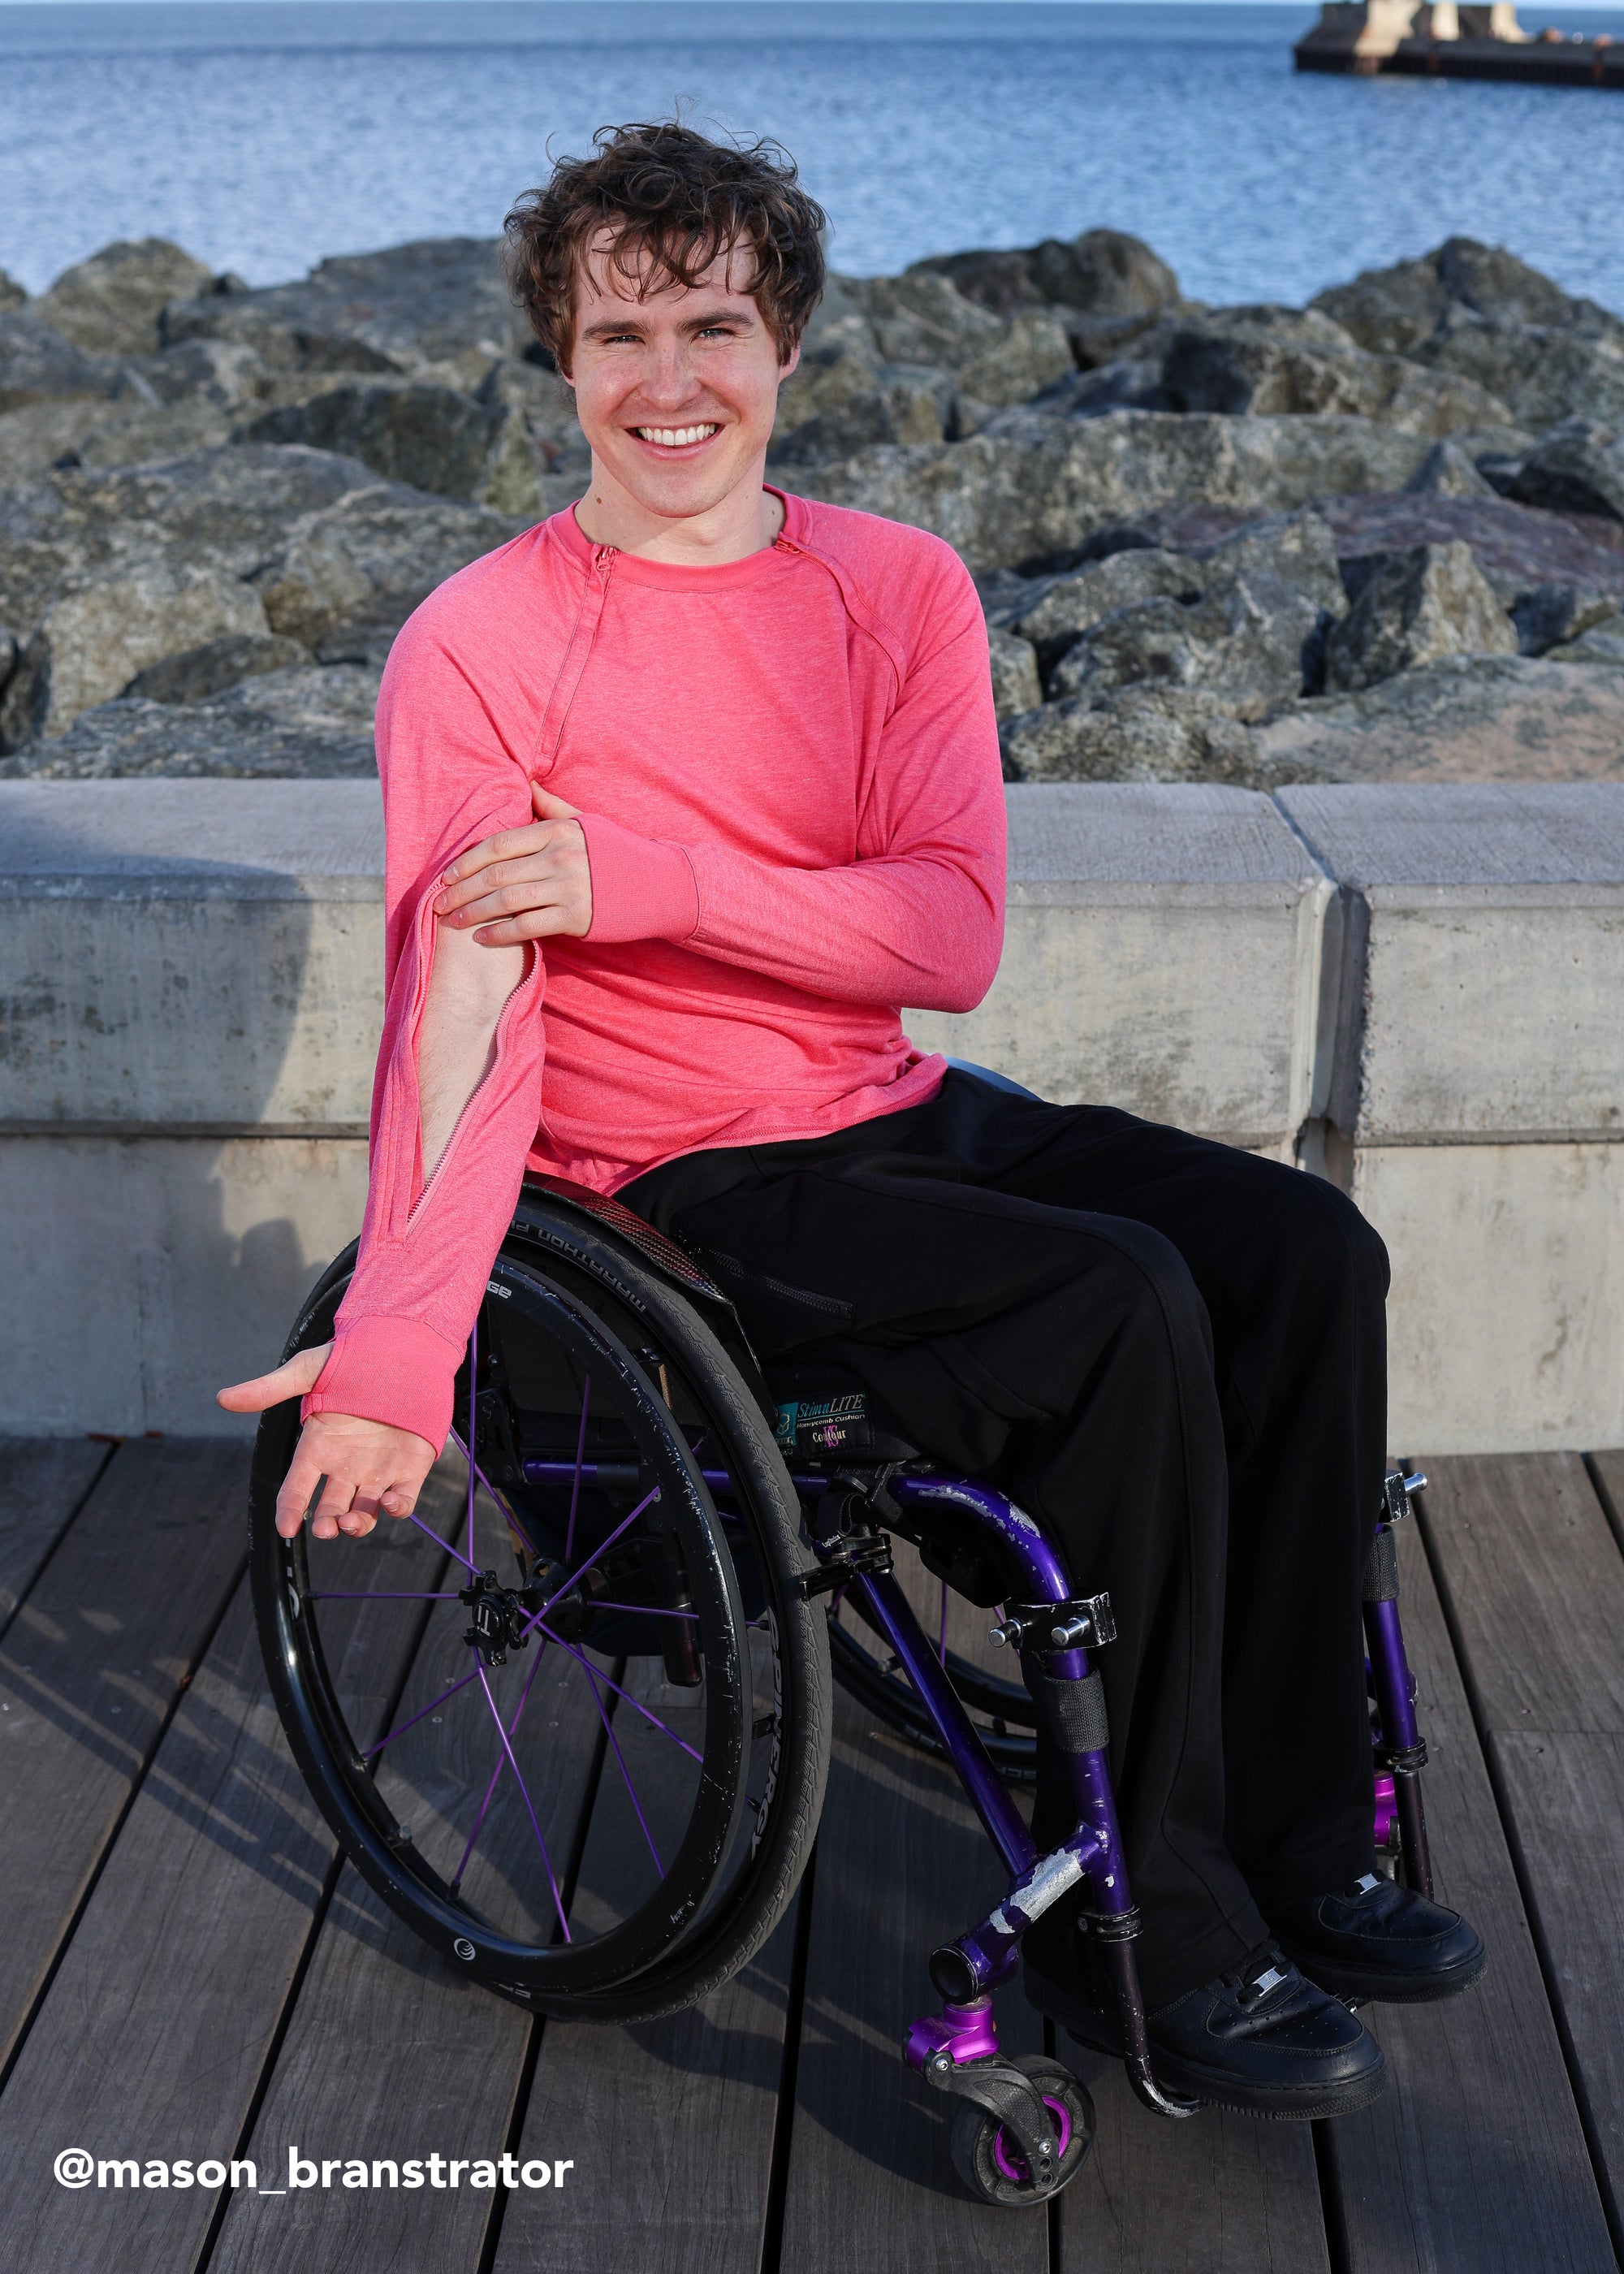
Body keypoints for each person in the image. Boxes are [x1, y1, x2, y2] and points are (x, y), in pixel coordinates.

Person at [220, 120, 1483, 2117]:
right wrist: (394, 1351)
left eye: (710, 323)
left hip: (894, 1099)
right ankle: (1132, 1911)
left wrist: (649, 877)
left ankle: (1304, 1828)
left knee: (1305, 1251)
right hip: (679, 1178)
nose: (667, 380)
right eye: (617, 328)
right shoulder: (480, 641)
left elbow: (947, 928)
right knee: (1122, 1303)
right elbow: (454, 1004)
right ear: (557, 354)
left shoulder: (894, 588)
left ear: (782, 341)